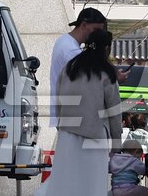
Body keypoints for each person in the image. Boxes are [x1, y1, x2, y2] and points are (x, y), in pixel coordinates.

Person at [40, 27, 121, 196]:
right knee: (92, 185)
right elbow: (114, 113)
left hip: (67, 134)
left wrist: (61, 126)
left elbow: (59, 98)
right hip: (94, 136)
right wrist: (116, 145)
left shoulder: (70, 67)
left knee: (64, 182)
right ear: (106, 48)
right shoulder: (106, 73)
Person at [49, 7, 109, 125]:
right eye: (95, 30)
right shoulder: (72, 51)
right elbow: (91, 81)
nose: (97, 35)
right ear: (84, 25)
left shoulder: (64, 41)